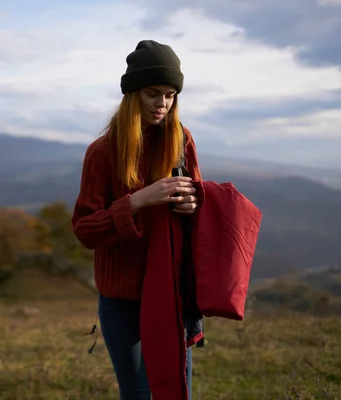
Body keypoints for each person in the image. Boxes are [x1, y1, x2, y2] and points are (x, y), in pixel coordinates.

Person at [71, 40, 204, 400]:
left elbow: (198, 209)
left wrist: (192, 204)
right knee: (138, 394)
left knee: (177, 391)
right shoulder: (102, 152)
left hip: (172, 292)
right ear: (133, 94)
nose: (162, 104)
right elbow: (85, 229)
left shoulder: (181, 140)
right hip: (122, 299)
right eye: (152, 94)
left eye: (170, 95)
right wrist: (138, 201)